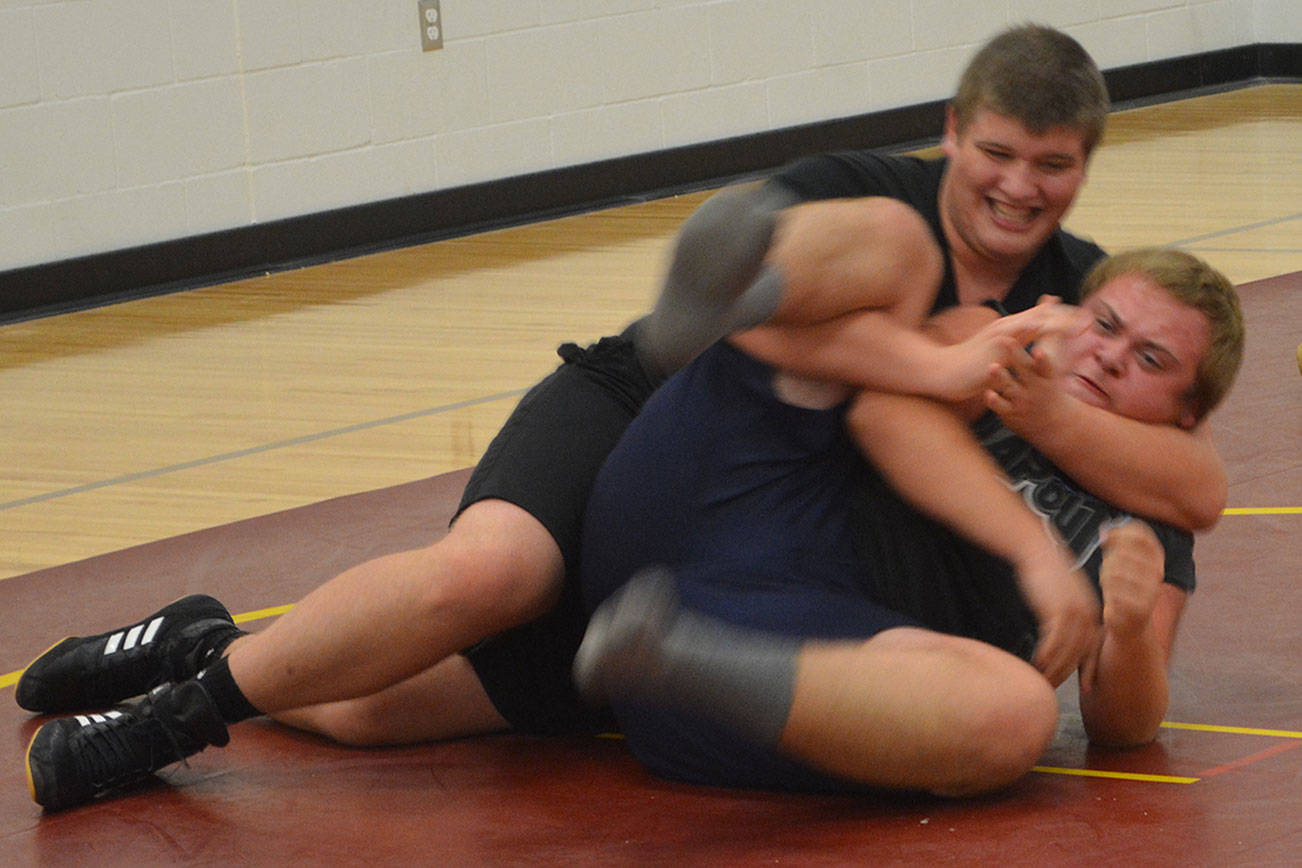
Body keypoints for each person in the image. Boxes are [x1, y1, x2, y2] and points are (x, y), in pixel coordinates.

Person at [18, 24, 1223, 811]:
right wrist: (940, 367)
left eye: (1052, 165)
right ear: (953, 134)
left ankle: (195, 644)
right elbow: (811, 366)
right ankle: (172, 722)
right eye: (999, 153)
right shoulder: (892, 206)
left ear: (1084, 168)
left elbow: (1166, 485)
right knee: (482, 575)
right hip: (659, 387)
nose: (1019, 186)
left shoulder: (1074, 296)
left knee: (377, 706)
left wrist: (1117, 529)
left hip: (768, 530)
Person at [574, 245, 1244, 795]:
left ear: (1192, 417)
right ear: (1071, 314)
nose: (1110, 357)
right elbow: (881, 414)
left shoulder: (1155, 517)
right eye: (1104, 325)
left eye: (1150, 360)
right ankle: (728, 292)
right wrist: (1031, 550)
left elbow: (1121, 726)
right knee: (885, 255)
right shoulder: (1003, 352)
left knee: (1017, 717)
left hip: (836, 651)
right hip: (745, 509)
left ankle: (684, 665)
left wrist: (1126, 629)